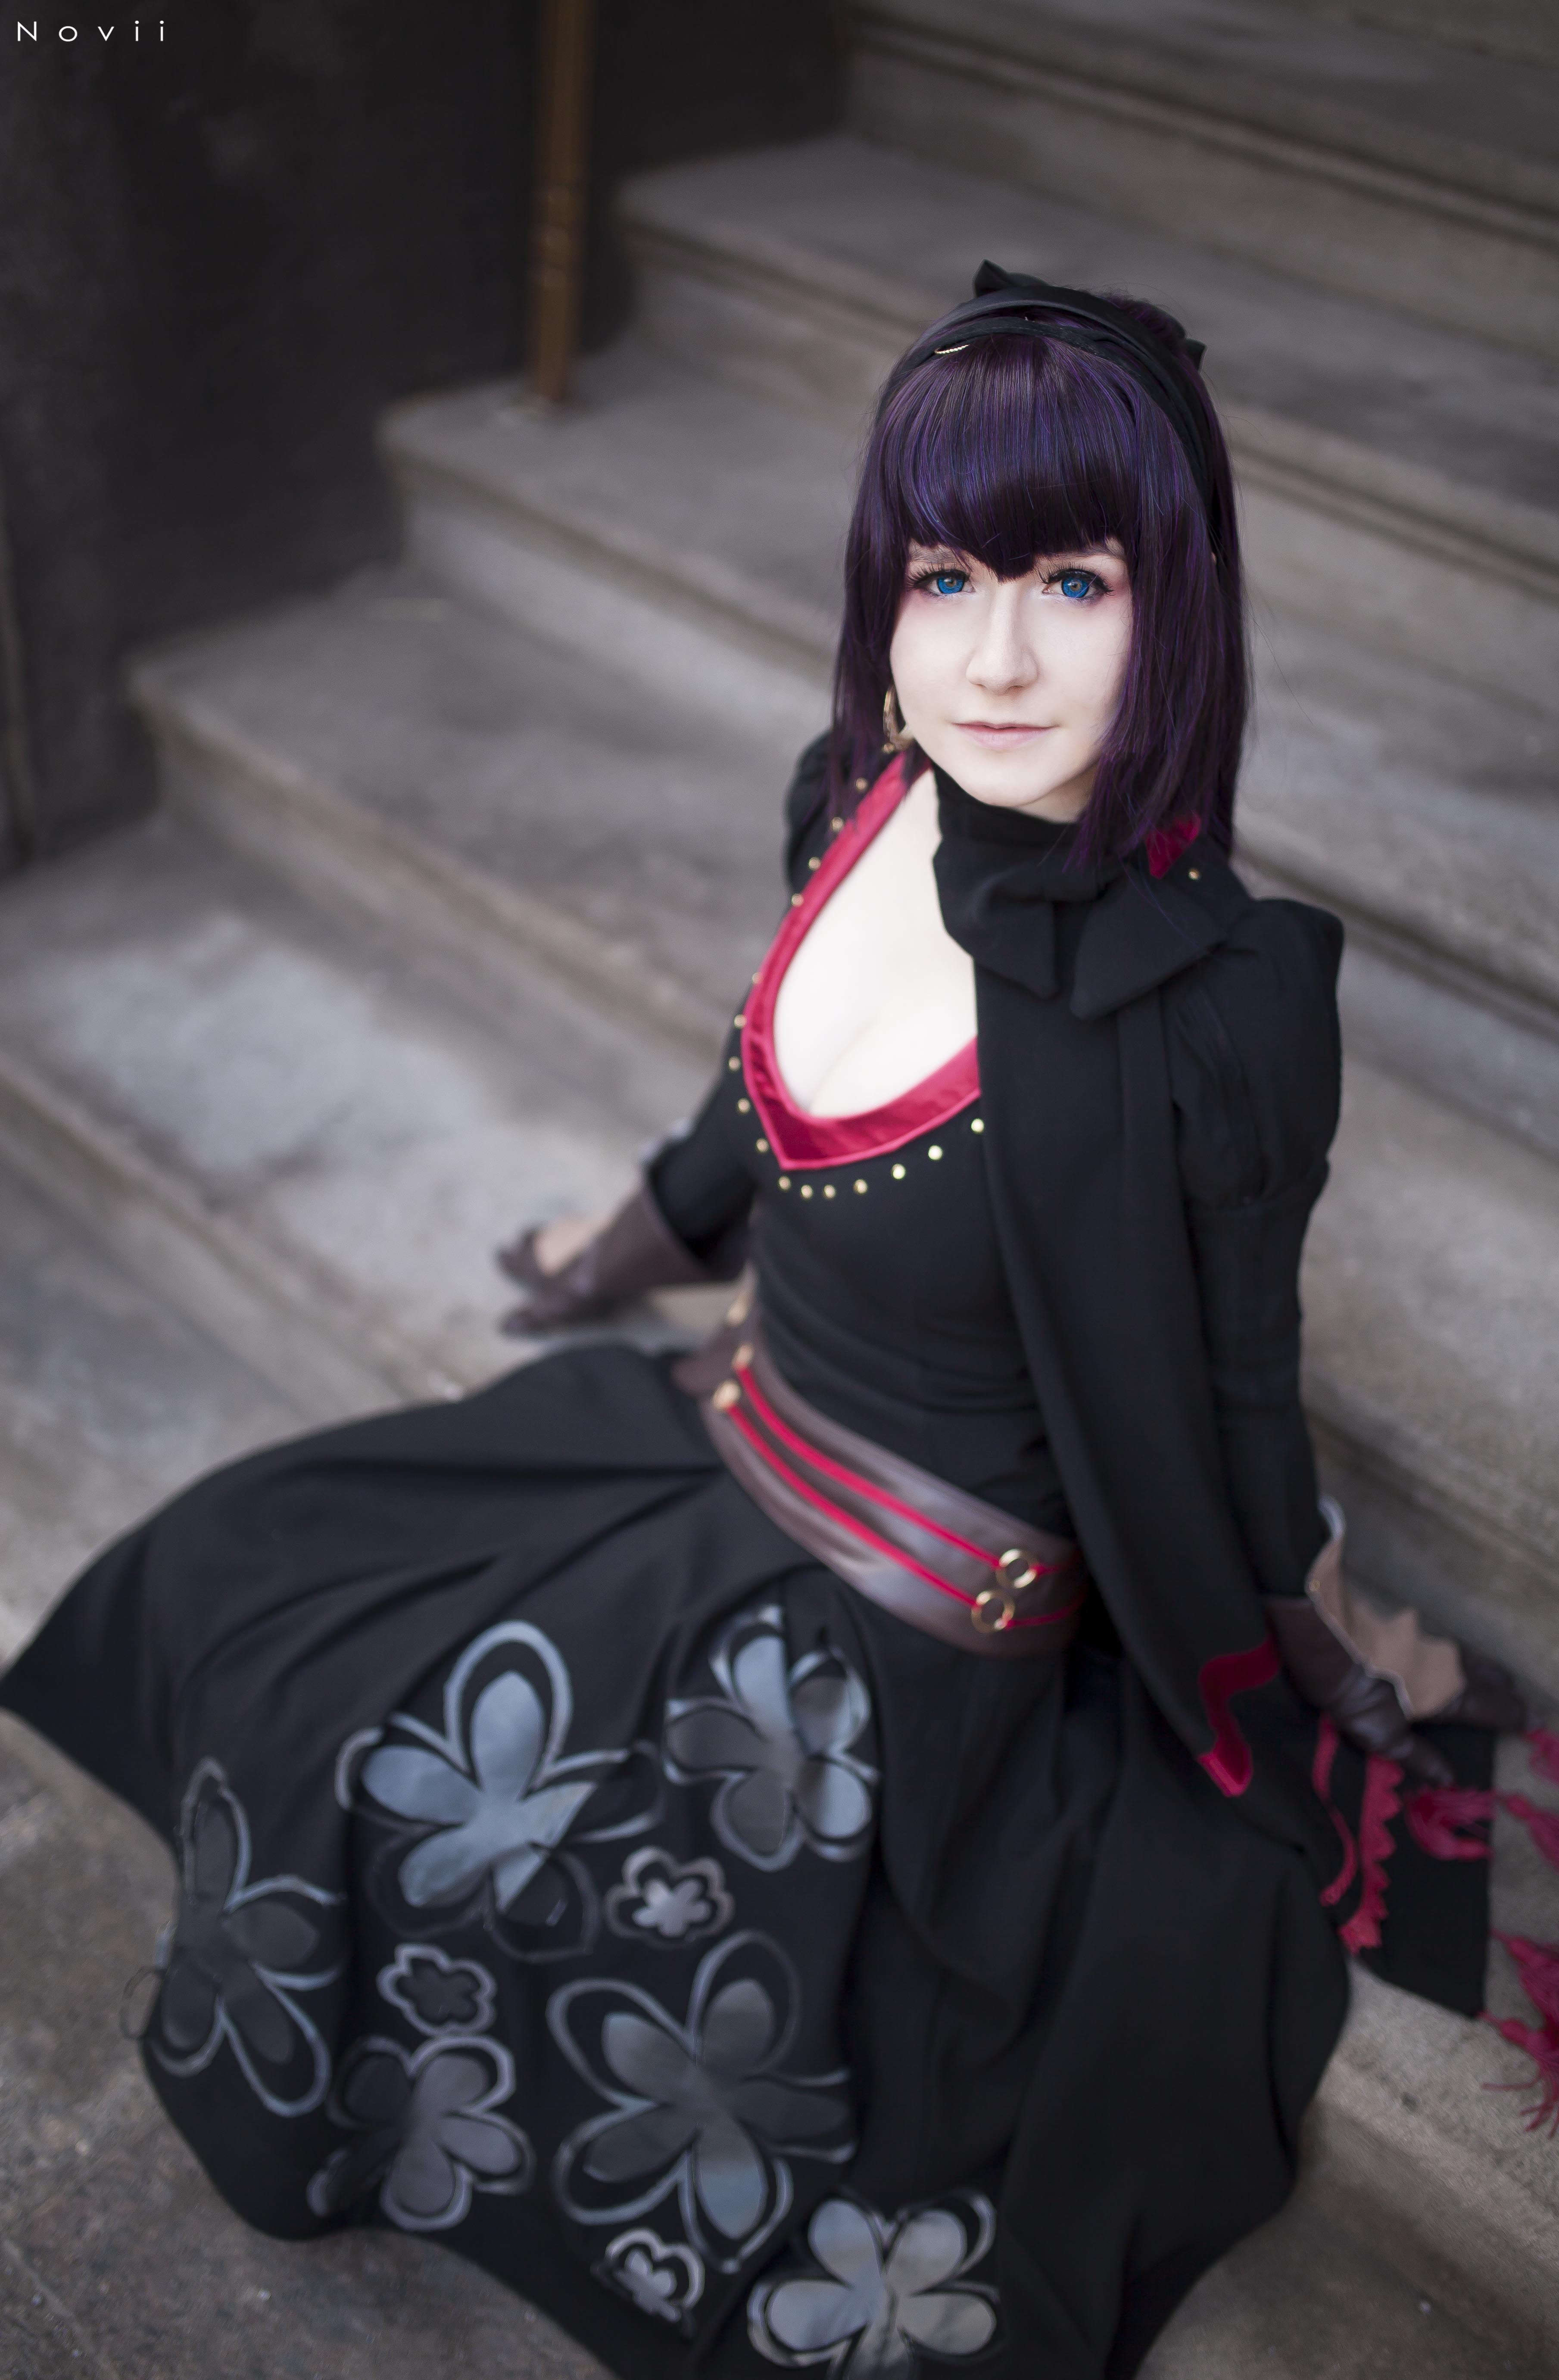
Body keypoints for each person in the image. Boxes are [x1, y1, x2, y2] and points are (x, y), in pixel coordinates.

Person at [0, 267, 1526, 2380]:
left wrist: (1326, 1643)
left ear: (1176, 600)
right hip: (722, 1430)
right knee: (255, 1595)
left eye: (1072, 584)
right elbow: (757, 1095)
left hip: (897, 1636)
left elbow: (1236, 1382)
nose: (994, 656)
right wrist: (626, 1232)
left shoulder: (1218, 1008)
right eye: (943, 578)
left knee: (486, 1865)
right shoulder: (862, 787)